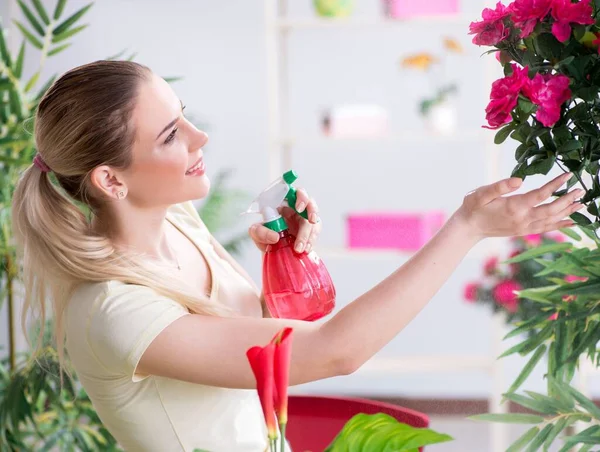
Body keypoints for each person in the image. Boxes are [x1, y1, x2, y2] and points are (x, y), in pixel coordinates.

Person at [11, 59, 584, 452]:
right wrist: (466, 227)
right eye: (169, 135)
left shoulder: (177, 222)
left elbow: (267, 335)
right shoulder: (115, 310)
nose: (199, 138)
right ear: (111, 180)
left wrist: (285, 260)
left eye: (183, 114)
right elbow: (334, 352)